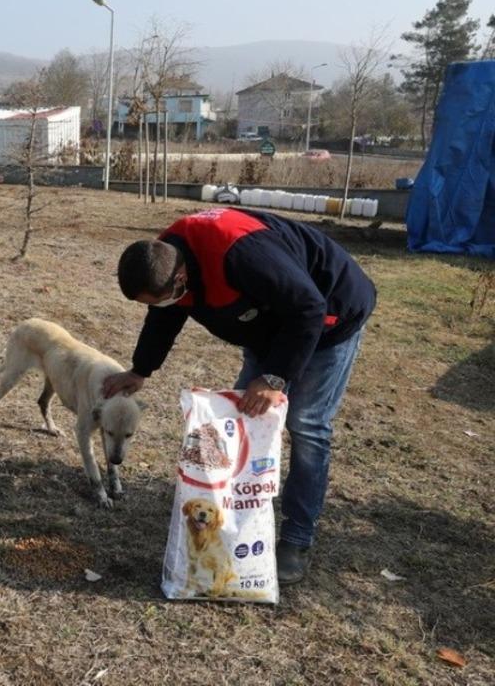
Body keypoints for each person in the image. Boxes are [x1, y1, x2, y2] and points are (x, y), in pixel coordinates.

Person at [103, 207, 376, 584]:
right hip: (271, 322)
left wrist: (274, 377)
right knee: (243, 421)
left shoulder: (241, 255)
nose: (159, 306)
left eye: (159, 298)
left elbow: (308, 308)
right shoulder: (164, 257)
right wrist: (141, 369)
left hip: (329, 314)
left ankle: (296, 540)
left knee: (306, 426)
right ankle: (237, 519)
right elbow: (165, 313)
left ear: (180, 277)